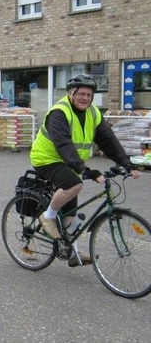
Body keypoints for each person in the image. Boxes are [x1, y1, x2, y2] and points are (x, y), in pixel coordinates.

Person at [30, 73, 141, 267]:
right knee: (74, 184)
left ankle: (74, 253)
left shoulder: (93, 113)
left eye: (89, 95)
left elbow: (108, 140)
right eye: (81, 94)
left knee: (71, 210)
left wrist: (127, 163)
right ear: (72, 94)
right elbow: (64, 144)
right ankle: (47, 217)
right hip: (47, 159)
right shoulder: (60, 112)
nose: (86, 98)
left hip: (72, 162)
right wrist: (87, 170)